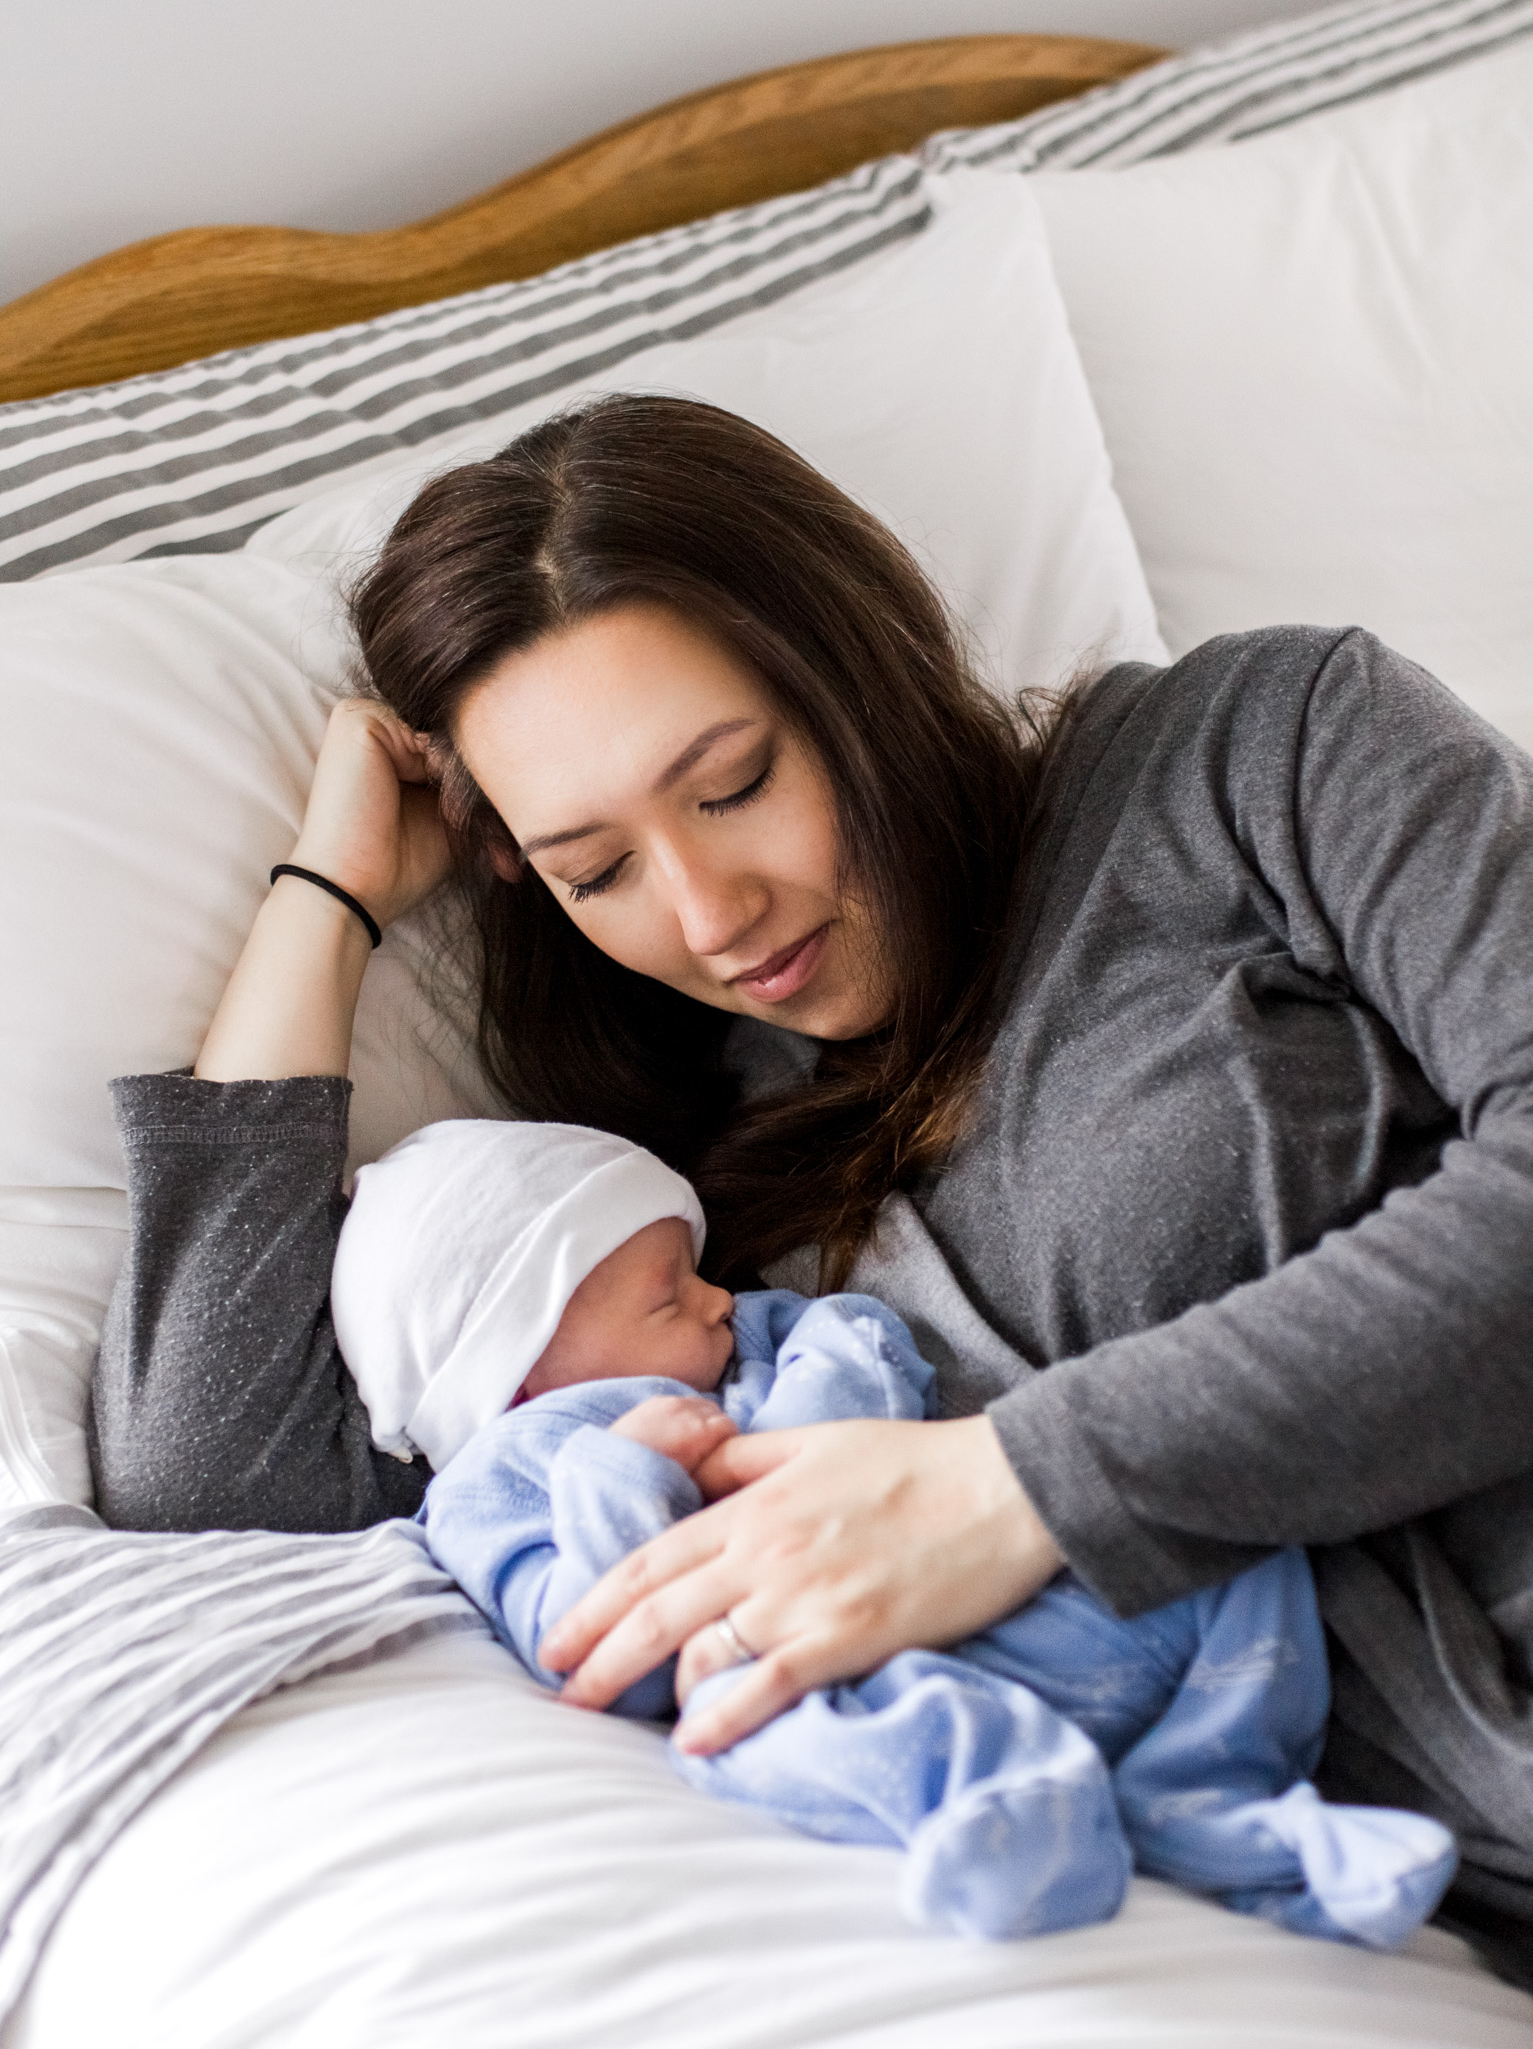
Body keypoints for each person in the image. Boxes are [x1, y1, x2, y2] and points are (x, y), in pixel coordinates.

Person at [89, 394, 1533, 1982]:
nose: (709, 913)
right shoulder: (681, 1215)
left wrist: (1019, 1487)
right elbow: (207, 1478)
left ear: (854, 658)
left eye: (734, 783)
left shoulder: (1256, 749)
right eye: (598, 869)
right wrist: (334, 896)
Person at [331, 1114, 1456, 1947]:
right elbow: (595, 1642)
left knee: (1232, 1536)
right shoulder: (502, 1482)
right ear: (519, 1368)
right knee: (739, 1716)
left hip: (1002, 1578)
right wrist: (618, 1476)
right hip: (862, 1668)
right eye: (671, 1292)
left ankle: (1223, 1799)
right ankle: (995, 1801)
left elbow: (870, 1348)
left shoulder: (757, 1343)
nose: (722, 1297)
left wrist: (819, 1403)